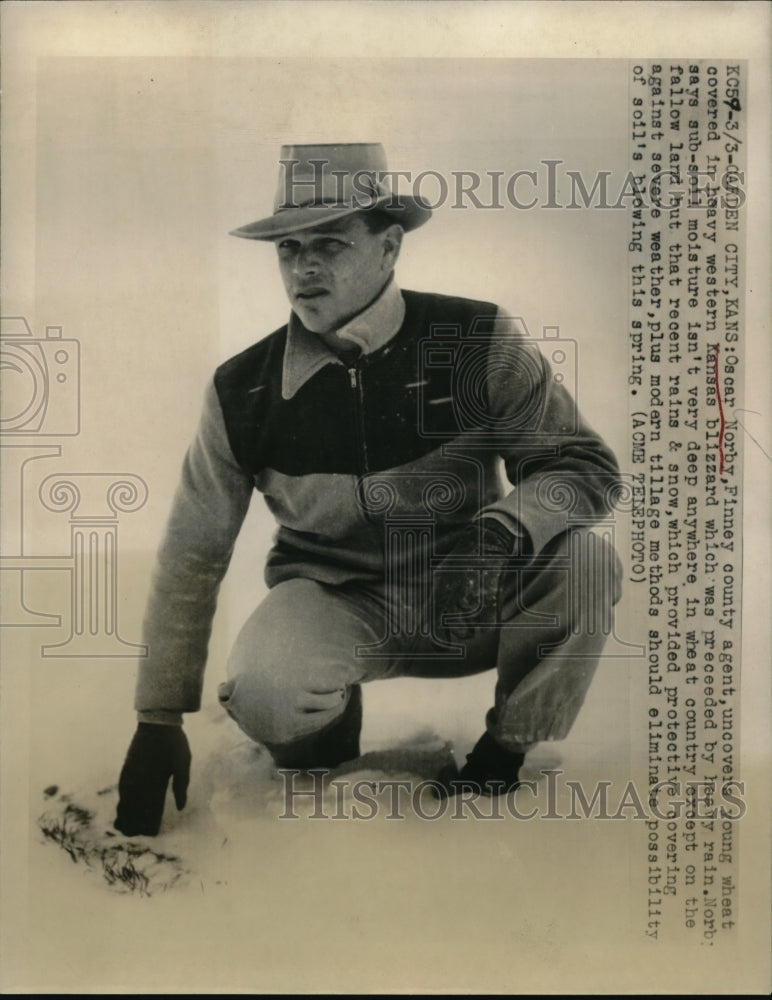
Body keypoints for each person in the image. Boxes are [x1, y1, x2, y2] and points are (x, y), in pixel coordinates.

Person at [114, 143, 623, 836]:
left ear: (389, 248)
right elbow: (193, 550)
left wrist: (503, 531)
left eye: (330, 242)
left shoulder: (479, 338)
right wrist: (157, 717)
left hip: (469, 592)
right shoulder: (243, 390)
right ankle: (324, 760)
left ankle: (502, 757)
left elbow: (584, 468)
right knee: (266, 691)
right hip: (337, 601)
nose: (305, 267)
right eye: (289, 248)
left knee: (586, 564)